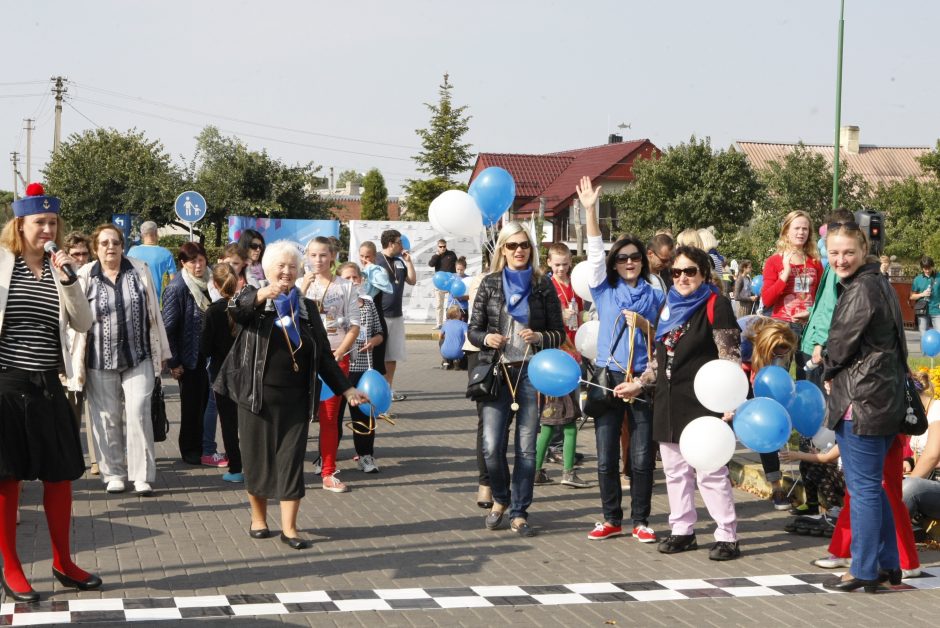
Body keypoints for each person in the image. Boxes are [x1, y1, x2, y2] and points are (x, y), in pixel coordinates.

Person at [213, 241, 367, 550]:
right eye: (280, 266)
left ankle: (290, 528)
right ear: (268, 269)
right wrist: (260, 295)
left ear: (299, 271)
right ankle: (258, 519)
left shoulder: (307, 308)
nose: (286, 272)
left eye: (292, 267)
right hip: (256, 396)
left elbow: (323, 355)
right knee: (257, 459)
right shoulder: (252, 299)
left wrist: (346, 388)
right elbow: (233, 310)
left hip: (296, 399)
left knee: (290, 460)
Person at [0, 183, 101, 601]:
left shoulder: (62, 272)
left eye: (53, 222)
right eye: (39, 222)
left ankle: (64, 562)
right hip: (6, 383)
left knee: (60, 475)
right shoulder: (2, 265)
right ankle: (11, 568)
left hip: (48, 383)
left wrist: (70, 281)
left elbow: (84, 323)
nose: (47, 229)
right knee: (7, 478)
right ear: (20, 224)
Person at [624, 245, 742, 561]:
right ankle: (682, 530)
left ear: (704, 273)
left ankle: (727, 535)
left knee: (710, 471)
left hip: (703, 400)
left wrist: (730, 401)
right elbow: (658, 358)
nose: (683, 277)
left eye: (690, 271)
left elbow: (730, 357)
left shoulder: (717, 304)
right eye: (676, 272)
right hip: (669, 399)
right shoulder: (667, 305)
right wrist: (638, 383)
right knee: (675, 471)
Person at [576, 178, 664, 540]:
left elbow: (663, 338)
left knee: (642, 457)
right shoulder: (604, 288)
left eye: (635, 258)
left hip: (642, 380)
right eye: (623, 258)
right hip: (609, 378)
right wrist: (590, 211)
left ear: (643, 262)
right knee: (605, 454)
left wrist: (644, 325)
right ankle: (611, 518)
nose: (629, 262)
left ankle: (641, 521)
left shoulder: (656, 294)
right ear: (615, 264)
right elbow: (595, 252)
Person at [821, 220, 905, 592]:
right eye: (834, 253)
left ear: (863, 252)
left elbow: (840, 344)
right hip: (881, 400)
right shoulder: (879, 283)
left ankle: (865, 569)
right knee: (875, 486)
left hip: (861, 402)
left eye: (848, 252)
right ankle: (887, 565)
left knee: (865, 489)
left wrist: (825, 364)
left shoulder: (860, 289)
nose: (841, 259)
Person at [468, 222, 565, 537]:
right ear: (503, 250)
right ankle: (500, 498)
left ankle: (519, 512)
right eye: (512, 245)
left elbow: (559, 333)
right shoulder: (490, 283)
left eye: (524, 245)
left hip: (530, 372)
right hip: (497, 372)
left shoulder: (542, 284)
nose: (519, 250)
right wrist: (486, 339)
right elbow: (473, 329)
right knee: (491, 445)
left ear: (531, 249)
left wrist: (539, 335)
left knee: (525, 448)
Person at [77, 224, 170, 497]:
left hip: (138, 355)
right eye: (104, 243)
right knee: (106, 417)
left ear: (122, 245)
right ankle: (114, 473)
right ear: (96, 248)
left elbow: (154, 312)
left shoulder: (138, 270)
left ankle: (141, 476)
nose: (110, 247)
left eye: (115, 242)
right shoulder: (86, 276)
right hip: (99, 358)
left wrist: (161, 351)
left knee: (139, 412)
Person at [760, 210, 824, 510]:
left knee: (809, 405)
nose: (801, 233)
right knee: (773, 403)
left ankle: (812, 487)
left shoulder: (815, 263)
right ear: (786, 231)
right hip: (781, 333)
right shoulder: (774, 261)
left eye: (806, 229)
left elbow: (822, 303)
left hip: (809, 334)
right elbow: (767, 300)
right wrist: (784, 273)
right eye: (796, 228)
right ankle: (775, 483)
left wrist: (810, 314)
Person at [299, 236, 360, 493]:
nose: (318, 260)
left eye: (323, 255)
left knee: (329, 417)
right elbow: (287, 316)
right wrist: (301, 288)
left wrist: (340, 352)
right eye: (313, 255)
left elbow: (355, 325)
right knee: (297, 416)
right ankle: (288, 469)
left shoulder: (346, 287)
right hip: (303, 359)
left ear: (332, 256)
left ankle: (328, 471)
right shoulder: (299, 285)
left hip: (335, 358)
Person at [162, 242, 212, 465]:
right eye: (193, 261)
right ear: (183, 263)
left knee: (202, 404)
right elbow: (168, 327)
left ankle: (200, 446)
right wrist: (173, 362)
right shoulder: (177, 288)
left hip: (206, 354)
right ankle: (189, 450)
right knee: (191, 407)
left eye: (201, 260)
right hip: (187, 357)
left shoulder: (209, 283)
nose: (198, 265)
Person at [337, 262, 386, 473]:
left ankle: (366, 456)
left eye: (354, 278)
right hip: (338, 368)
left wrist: (373, 342)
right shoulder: (333, 304)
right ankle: (326, 459)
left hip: (362, 369)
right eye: (346, 278)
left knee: (363, 416)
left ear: (361, 280)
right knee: (333, 417)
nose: (351, 282)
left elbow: (380, 333)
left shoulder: (368, 304)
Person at [201, 263, 244, 483]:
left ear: (215, 285)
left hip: (221, 372)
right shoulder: (246, 307)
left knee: (228, 422)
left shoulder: (213, 311)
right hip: (246, 371)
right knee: (248, 421)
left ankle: (236, 468)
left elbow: (205, 347)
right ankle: (254, 465)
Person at [61, 232, 97, 475]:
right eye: (76, 255)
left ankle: (97, 460)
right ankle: (71, 455)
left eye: (85, 254)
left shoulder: (96, 277)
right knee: (71, 408)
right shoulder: (60, 278)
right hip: (72, 352)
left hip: (96, 350)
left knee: (96, 410)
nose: (81, 258)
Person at [376, 230, 416, 401]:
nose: (403, 246)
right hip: (380, 315)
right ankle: (375, 390)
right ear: (391, 243)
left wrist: (409, 262)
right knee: (378, 356)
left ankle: (388, 389)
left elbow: (412, 280)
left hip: (397, 315)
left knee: (392, 356)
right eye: (400, 242)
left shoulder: (400, 262)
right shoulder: (376, 260)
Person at [902, 371, 940, 532]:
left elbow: (932, 455)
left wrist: (907, 482)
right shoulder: (922, 415)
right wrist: (908, 462)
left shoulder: (937, 410)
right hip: (931, 483)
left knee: (909, 487)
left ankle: (889, 542)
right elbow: (921, 453)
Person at [126, 220, 176, 303]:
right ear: (156, 233)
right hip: (159, 302)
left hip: (136, 299)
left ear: (142, 235)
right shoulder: (166, 253)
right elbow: (173, 280)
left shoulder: (132, 252)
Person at [429, 238, 458, 329]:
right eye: (440, 247)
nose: (442, 248)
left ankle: (450, 322)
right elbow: (431, 264)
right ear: (437, 247)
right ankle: (439, 323)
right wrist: (437, 255)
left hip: (450, 283)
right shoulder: (436, 256)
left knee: (452, 304)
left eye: (444, 246)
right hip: (439, 283)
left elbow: (457, 265)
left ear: (446, 246)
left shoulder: (451, 254)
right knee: (438, 304)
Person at [909, 256, 937, 334]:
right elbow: (911, 297)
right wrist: (922, 294)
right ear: (922, 268)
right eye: (925, 268)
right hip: (923, 311)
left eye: (929, 268)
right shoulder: (917, 279)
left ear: (932, 266)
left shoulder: (939, 277)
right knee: (923, 335)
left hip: (937, 311)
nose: (927, 270)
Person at [440, 305, 468, 370]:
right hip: (459, 353)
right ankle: (457, 361)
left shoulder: (445, 324)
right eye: (460, 311)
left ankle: (446, 361)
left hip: (444, 352)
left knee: (441, 341)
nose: (461, 313)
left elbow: (440, 336)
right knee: (463, 342)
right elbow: (467, 338)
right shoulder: (464, 324)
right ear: (457, 314)